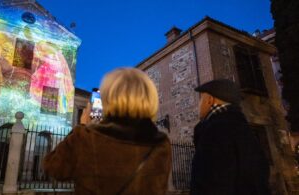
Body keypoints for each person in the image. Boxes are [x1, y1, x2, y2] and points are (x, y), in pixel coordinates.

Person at [42, 68, 172, 195]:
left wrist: (82, 126)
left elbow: (54, 168)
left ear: (109, 99)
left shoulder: (85, 138)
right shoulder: (162, 144)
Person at [190, 79, 271, 195]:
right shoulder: (245, 130)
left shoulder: (214, 131)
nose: (199, 105)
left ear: (209, 100)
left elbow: (209, 182)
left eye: (201, 99)